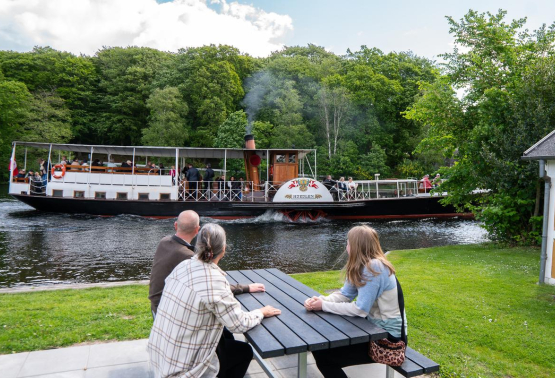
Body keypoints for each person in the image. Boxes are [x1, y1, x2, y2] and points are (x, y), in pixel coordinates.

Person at [148, 223, 281, 378]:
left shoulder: (184, 265)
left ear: (197, 245)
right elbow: (238, 324)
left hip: (162, 354)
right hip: (182, 368)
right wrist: (261, 312)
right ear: (223, 250)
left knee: (225, 338)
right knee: (244, 351)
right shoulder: (214, 280)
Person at [304, 225, 406, 378]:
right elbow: (345, 295)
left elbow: (360, 309)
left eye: (348, 243)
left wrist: (324, 306)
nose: (346, 247)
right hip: (372, 330)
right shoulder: (363, 266)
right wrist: (321, 300)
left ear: (357, 246)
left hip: (389, 340)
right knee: (323, 344)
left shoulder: (374, 267)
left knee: (325, 356)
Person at [148, 210, 264, 316]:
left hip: (156, 304)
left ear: (175, 225)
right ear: (197, 230)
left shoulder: (164, 242)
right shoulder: (188, 258)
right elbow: (213, 286)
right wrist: (246, 288)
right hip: (167, 310)